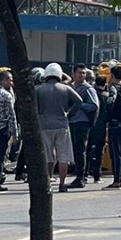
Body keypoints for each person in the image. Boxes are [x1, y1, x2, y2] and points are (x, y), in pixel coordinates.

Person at [35, 63, 82, 193]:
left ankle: (47, 181)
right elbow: (79, 101)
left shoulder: (38, 89)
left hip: (44, 125)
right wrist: (70, 113)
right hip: (62, 124)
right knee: (63, 156)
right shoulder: (65, 89)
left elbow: (33, 106)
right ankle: (62, 183)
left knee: (47, 156)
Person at [67, 63, 99, 189]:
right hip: (73, 121)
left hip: (82, 122)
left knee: (80, 150)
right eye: (79, 73)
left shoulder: (88, 89)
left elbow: (94, 106)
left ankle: (81, 177)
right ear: (73, 74)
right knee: (76, 150)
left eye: (83, 73)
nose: (81, 75)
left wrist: (79, 104)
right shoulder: (72, 88)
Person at [86, 75, 109, 185]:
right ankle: (97, 176)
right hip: (102, 127)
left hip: (90, 126)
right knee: (99, 152)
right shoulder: (106, 96)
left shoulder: (91, 94)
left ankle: (85, 174)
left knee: (87, 150)